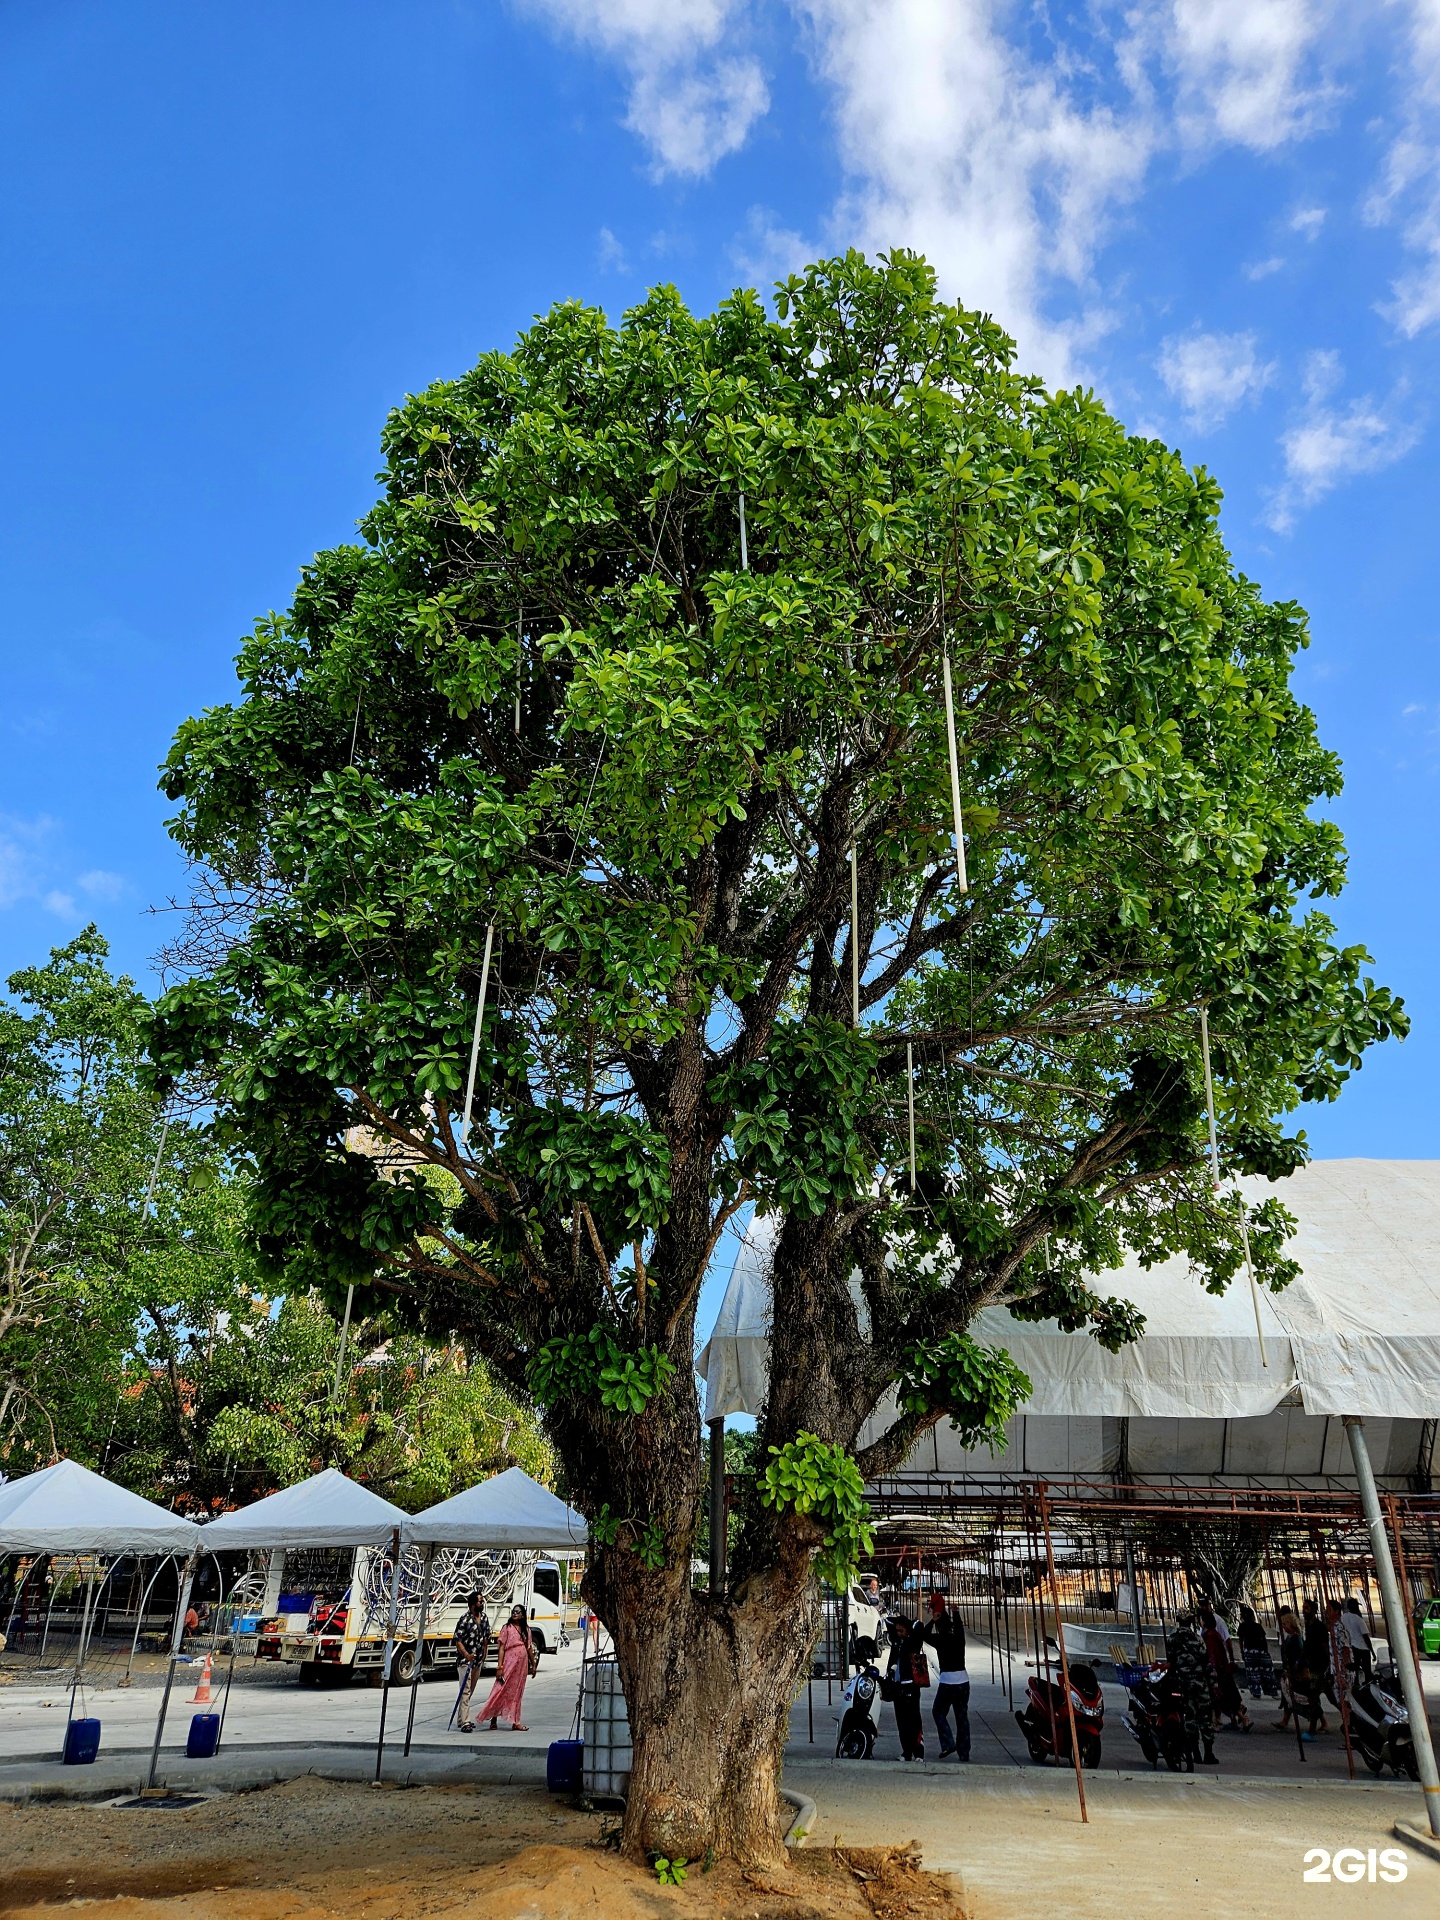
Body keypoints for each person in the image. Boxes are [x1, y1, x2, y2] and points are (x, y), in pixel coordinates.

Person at [921, 1584, 970, 1761]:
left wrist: (933, 1621)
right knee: (962, 1717)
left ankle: (948, 1743)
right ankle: (964, 1753)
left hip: (948, 1682)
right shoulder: (958, 1635)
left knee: (938, 1711)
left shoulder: (940, 1639)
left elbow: (924, 1635)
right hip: (963, 1681)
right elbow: (959, 1626)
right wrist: (955, 1613)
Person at [1166, 1613, 1218, 1765]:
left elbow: (1171, 1662)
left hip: (1183, 1684)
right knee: (1205, 1718)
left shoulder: (1171, 1639)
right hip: (1200, 1683)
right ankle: (1209, 1753)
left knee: (1190, 1717)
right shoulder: (1198, 1639)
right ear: (1191, 1622)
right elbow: (1206, 1662)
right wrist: (1212, 1684)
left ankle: (1195, 1752)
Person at [475, 1603, 534, 1732]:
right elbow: (501, 1648)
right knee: (500, 1689)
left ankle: (515, 1721)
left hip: (521, 1666)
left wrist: (533, 1664)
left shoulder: (526, 1630)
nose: (514, 1613)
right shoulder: (507, 1628)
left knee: (517, 1692)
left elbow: (529, 1648)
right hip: (508, 1663)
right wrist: (500, 1667)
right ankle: (493, 1717)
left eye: (517, 1612)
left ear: (523, 1615)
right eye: (513, 1611)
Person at [1200, 1607, 1251, 1731]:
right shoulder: (1214, 1634)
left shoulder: (1210, 1636)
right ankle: (1239, 1718)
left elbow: (1212, 1654)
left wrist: (1213, 1670)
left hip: (1218, 1670)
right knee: (1227, 1697)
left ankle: (1218, 1722)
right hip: (1223, 1669)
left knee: (1219, 1698)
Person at [885, 1617, 926, 1761]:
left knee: (914, 1720)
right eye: (897, 1631)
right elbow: (888, 1621)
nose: (899, 1633)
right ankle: (906, 1752)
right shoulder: (896, 1642)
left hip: (911, 1685)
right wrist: (897, 1624)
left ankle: (918, 1753)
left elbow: (919, 1625)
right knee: (901, 1722)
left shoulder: (913, 1643)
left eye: (902, 1631)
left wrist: (908, 1627)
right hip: (898, 1686)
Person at [453, 1592, 490, 1734]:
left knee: (470, 1691)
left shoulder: (484, 1618)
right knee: (465, 1690)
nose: (482, 1603)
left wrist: (484, 1653)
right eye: (480, 1601)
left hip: (478, 1661)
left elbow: (486, 1636)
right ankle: (466, 1722)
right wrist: (466, 1655)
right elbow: (458, 1641)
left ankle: (461, 1719)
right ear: (473, 1604)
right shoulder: (464, 1620)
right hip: (465, 1661)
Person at [1302, 1599, 1334, 1719]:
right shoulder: (1307, 1625)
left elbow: (1325, 1647)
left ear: (1313, 1610)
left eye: (1307, 1608)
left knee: (1313, 1696)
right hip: (1312, 1664)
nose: (1304, 1611)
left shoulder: (1319, 1627)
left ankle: (1313, 1727)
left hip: (1319, 1665)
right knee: (1326, 1696)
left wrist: (1326, 1665)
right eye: (1303, 1608)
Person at [1236, 1605, 1276, 1698]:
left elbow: (1240, 1640)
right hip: (1260, 1650)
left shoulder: (1242, 1626)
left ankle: (1256, 1692)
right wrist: (1266, 1651)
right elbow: (1264, 1639)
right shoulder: (1257, 1626)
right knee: (1266, 1671)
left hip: (1249, 1652)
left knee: (1252, 1673)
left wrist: (1242, 1652)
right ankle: (1271, 1691)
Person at [1342, 1598, 1373, 1681]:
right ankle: (1367, 1682)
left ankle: (1356, 1682)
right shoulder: (1359, 1620)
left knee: (1355, 1667)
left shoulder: (1343, 1617)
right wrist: (1372, 1651)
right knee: (1367, 1669)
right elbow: (1365, 1637)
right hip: (1362, 1647)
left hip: (1351, 1646)